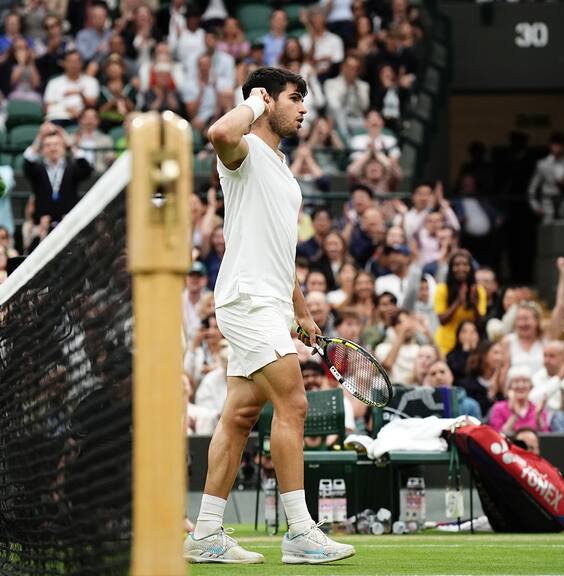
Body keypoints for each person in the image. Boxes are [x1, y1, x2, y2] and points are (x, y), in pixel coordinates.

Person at [186, 67, 354, 564]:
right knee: (294, 405)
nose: (303, 108)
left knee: (239, 416)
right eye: (294, 98)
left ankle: (205, 534)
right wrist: (254, 104)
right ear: (266, 100)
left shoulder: (281, 167)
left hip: (269, 302)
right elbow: (219, 132)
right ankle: (300, 533)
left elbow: (281, 252)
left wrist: (301, 311)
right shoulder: (244, 152)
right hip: (248, 299)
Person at [23, 122, 93, 225]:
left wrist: (70, 144)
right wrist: (39, 137)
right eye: (48, 145)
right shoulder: (37, 169)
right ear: (42, 150)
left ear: (64, 147)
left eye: (56, 144)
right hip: (43, 225)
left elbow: (86, 170)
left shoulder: (72, 168)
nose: (53, 148)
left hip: (68, 223)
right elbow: (28, 162)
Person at [433, 249, 486, 356]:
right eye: (456, 265)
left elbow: (480, 323)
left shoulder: (479, 291)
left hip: (470, 345)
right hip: (446, 345)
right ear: (451, 268)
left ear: (471, 267)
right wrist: (458, 301)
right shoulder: (442, 289)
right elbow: (442, 320)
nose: (461, 268)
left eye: (465, 264)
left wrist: (473, 303)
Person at [527, 132, 564, 221]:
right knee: (548, 226)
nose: (557, 147)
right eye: (555, 144)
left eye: (560, 144)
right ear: (550, 145)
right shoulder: (542, 164)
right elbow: (532, 188)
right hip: (547, 206)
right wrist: (535, 206)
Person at [488, 366, 549, 435]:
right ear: (510, 386)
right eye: (516, 381)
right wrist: (514, 416)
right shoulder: (498, 408)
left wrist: (538, 417)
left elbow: (546, 438)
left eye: (525, 381)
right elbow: (497, 436)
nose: (520, 385)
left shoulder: (538, 410)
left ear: (531, 386)